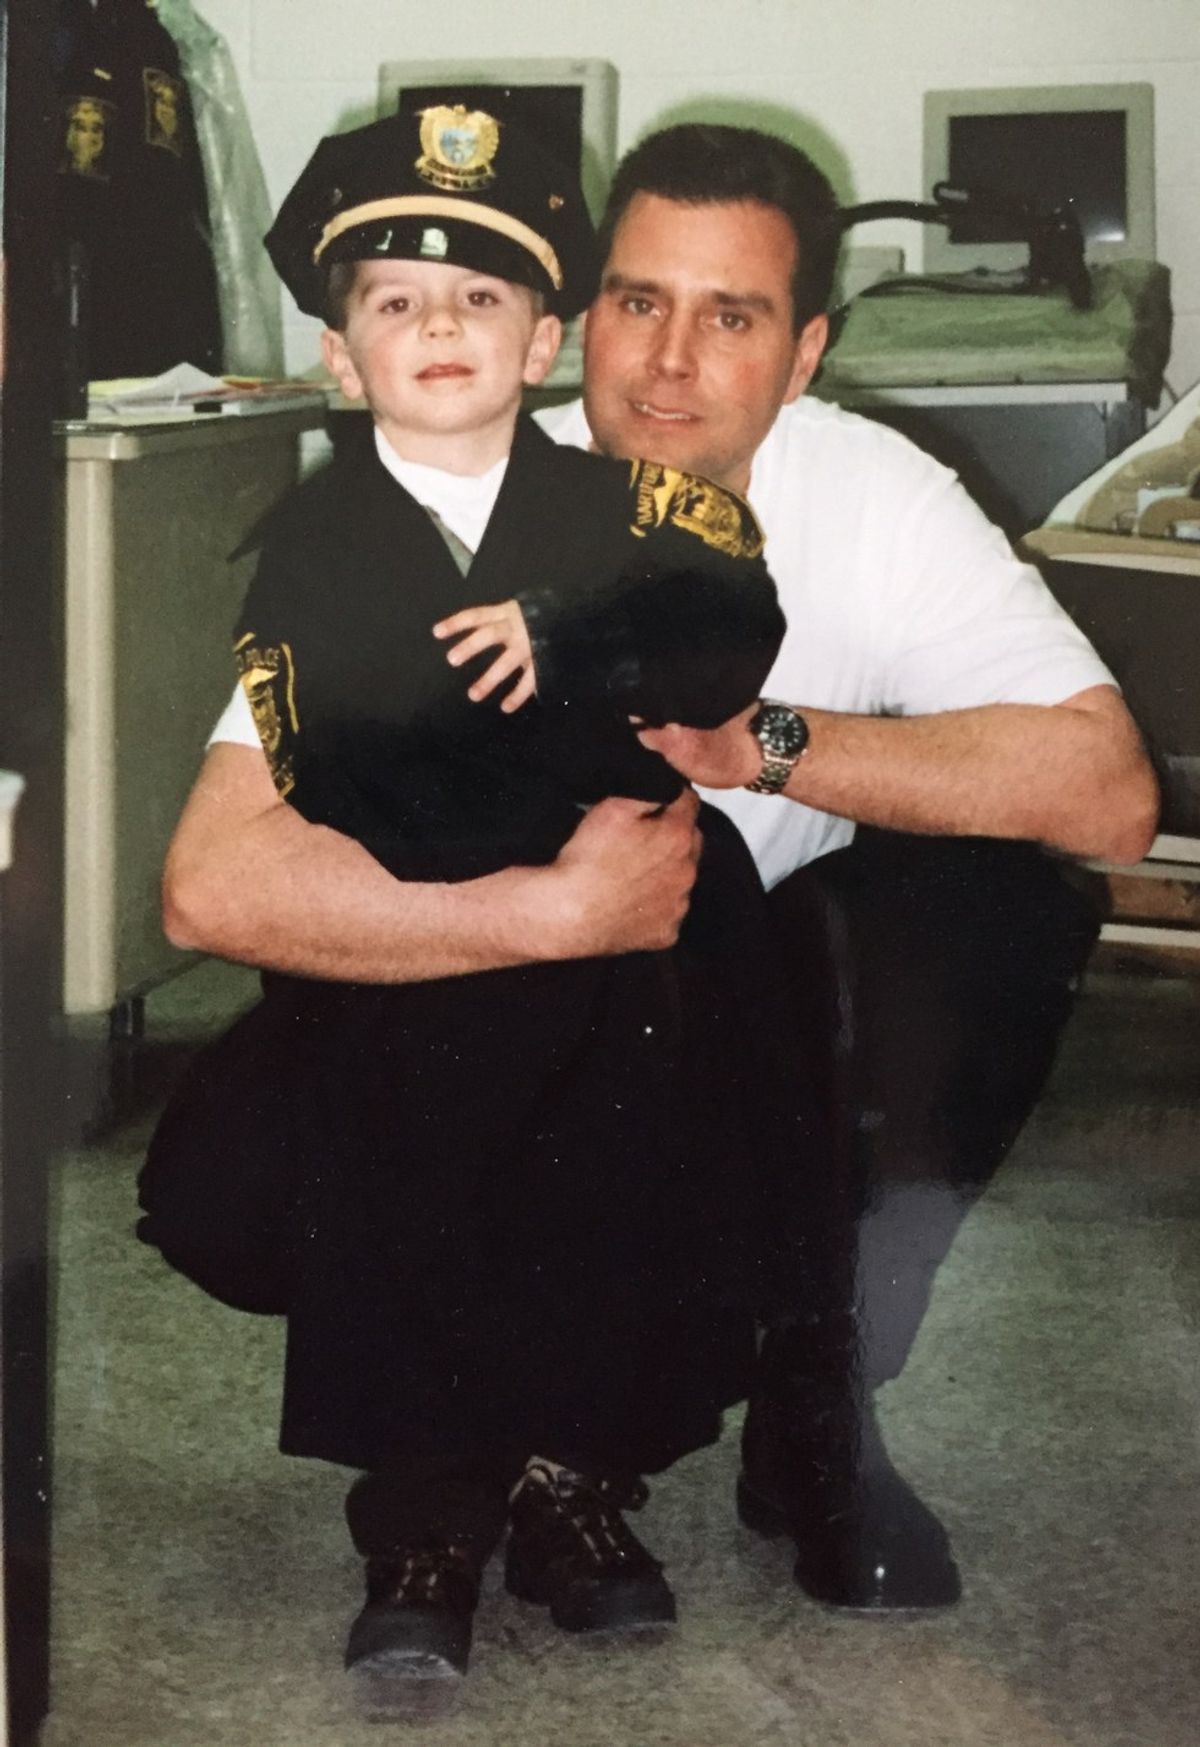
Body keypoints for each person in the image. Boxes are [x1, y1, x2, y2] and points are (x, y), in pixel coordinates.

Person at [166, 121, 1158, 1616]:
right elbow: (210, 884)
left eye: (732, 316)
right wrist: (541, 914)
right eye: (639, 301)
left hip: (748, 1000)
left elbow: (1108, 796)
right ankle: (466, 1439)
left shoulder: (872, 493)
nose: (670, 361)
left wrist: (758, 744)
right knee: (231, 1179)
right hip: (488, 992)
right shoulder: (459, 476)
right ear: (576, 321)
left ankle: (819, 1390)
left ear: (805, 352)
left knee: (997, 905)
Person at [138, 105, 815, 1693]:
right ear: (337, 353)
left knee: (614, 1203)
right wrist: (517, 876)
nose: (439, 324)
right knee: (416, 1211)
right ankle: (425, 1516)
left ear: (543, 340)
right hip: (429, 951)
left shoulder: (640, 514)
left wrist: (570, 633)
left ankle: (576, 1479)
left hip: (629, 964)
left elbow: (730, 626)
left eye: (481, 296)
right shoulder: (306, 548)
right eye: (395, 299)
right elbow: (336, 766)